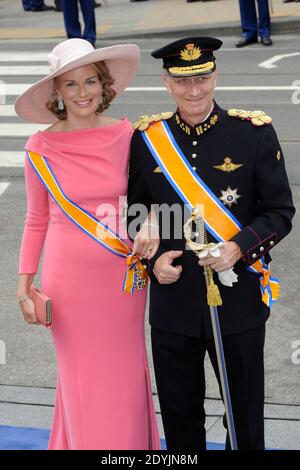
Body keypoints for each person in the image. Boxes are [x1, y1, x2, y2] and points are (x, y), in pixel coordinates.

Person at [127, 36, 295, 450]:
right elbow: (135, 211)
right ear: (167, 83)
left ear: (216, 75)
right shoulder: (149, 138)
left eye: (202, 77)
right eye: (183, 81)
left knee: (244, 419)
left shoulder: (253, 133)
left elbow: (279, 212)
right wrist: (151, 262)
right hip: (173, 301)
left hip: (237, 299)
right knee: (181, 419)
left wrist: (238, 248)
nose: (194, 90)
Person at [15, 38, 160, 450]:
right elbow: (36, 218)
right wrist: (24, 282)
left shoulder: (128, 135)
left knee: (124, 373)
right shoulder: (39, 147)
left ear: (104, 85)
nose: (83, 93)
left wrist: (150, 220)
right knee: (80, 378)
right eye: (72, 84)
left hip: (122, 278)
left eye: (90, 82)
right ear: (57, 92)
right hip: (69, 284)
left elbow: (149, 196)